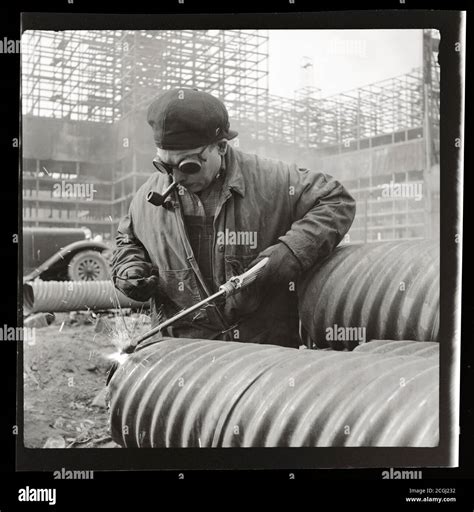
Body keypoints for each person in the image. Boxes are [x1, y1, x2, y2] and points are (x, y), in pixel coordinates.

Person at [112, 88, 356, 348]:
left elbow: (336, 200)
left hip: (260, 359)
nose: (176, 178)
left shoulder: (272, 180)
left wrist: (292, 251)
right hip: (182, 359)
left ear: (221, 146)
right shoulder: (147, 198)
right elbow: (126, 242)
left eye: (188, 166)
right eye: (165, 166)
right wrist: (129, 268)